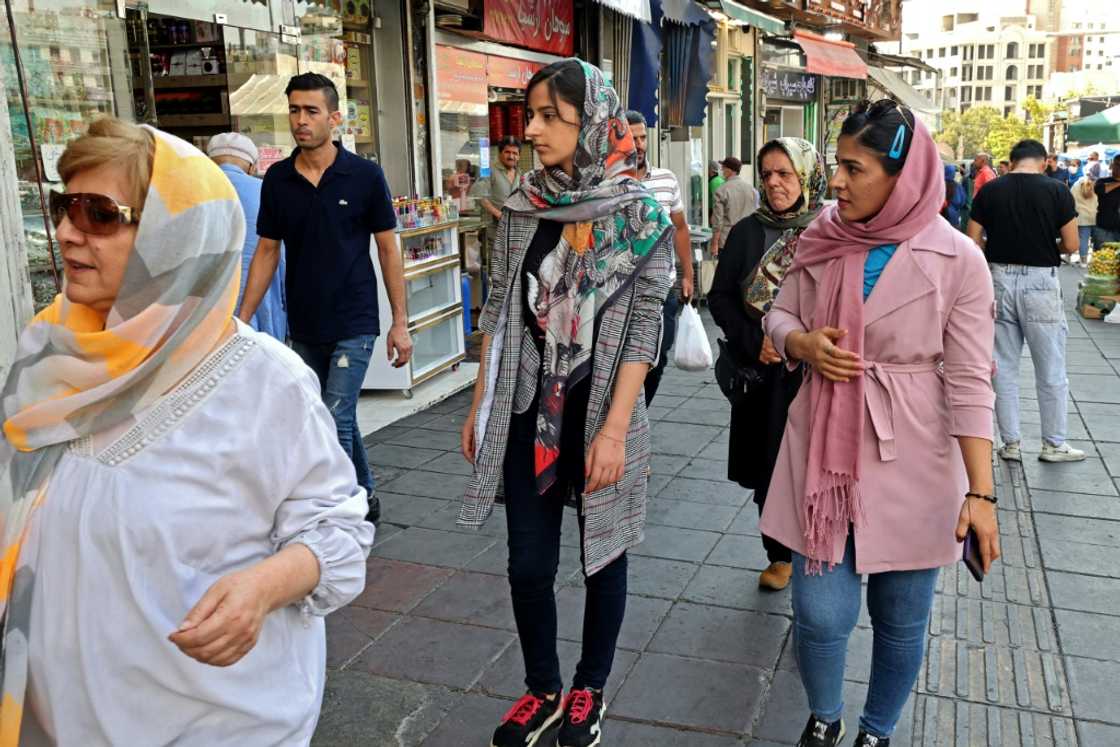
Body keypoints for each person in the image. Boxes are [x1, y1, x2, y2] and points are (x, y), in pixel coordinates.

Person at [0, 118, 374, 744]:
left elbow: (338, 530)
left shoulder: (261, 382)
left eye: (98, 213)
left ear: (175, 236)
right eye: (63, 205)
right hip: (53, 721)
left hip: (211, 723)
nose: (66, 231)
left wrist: (263, 587)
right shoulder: (49, 354)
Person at [760, 100, 1000, 747]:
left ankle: (877, 731)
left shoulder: (958, 260)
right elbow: (778, 314)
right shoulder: (822, 235)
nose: (834, 181)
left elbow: (973, 379)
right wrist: (803, 344)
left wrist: (981, 494)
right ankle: (825, 714)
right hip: (824, 446)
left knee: (900, 616)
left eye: (851, 167)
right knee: (818, 613)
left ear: (902, 175)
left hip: (915, 452)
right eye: (836, 165)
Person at [458, 59, 672, 747]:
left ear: (594, 122)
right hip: (530, 409)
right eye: (533, 113)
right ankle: (542, 686)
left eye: (553, 115)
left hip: (600, 409)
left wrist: (613, 429)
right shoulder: (523, 206)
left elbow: (645, 326)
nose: (535, 128)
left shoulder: (639, 215)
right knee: (527, 563)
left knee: (603, 553)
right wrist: (480, 402)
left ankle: (590, 686)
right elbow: (497, 307)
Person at [239, 72, 413, 525]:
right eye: (294, 110)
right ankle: (367, 493)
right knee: (328, 415)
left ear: (334, 118)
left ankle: (338, 513)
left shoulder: (364, 176)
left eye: (311, 111)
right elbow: (266, 251)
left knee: (333, 419)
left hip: (355, 319)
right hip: (305, 321)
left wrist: (399, 321)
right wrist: (240, 318)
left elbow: (388, 248)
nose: (301, 120)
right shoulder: (276, 179)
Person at [708, 137, 826, 592]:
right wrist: (754, 339)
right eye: (768, 174)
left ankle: (818, 546)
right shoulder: (747, 232)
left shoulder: (829, 230)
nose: (775, 183)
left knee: (817, 462)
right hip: (765, 375)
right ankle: (778, 553)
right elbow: (720, 298)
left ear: (806, 176)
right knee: (770, 465)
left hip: (817, 372)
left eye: (786, 174)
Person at [967, 139, 1083, 463]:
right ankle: (1054, 444)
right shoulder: (1057, 191)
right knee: (1051, 366)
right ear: (1044, 161)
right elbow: (1072, 243)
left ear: (1011, 160)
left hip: (999, 280)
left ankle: (1011, 443)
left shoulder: (990, 190)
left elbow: (972, 240)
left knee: (1002, 366)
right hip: (1041, 284)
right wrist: (1047, 245)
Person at [626, 110, 694, 406]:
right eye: (632, 138)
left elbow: (680, 227)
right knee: (623, 360)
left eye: (642, 137)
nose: (639, 144)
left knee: (658, 356)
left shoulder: (666, 180)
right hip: (619, 292)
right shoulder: (603, 182)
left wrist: (687, 274)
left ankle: (636, 411)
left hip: (661, 290)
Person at [207, 132, 287, 341]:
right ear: (251, 167)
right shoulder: (267, 193)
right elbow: (284, 258)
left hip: (206, 320)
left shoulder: (192, 193)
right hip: (260, 313)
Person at [480, 136, 524, 299]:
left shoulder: (520, 173)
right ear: (500, 153)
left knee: (513, 272)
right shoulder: (489, 171)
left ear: (519, 156)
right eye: (507, 152)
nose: (511, 156)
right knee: (497, 272)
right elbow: (480, 197)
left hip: (515, 231)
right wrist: (498, 213)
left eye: (515, 153)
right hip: (495, 230)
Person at [712, 156, 760, 255]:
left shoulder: (721, 191)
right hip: (747, 239)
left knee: (726, 270)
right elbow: (757, 214)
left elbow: (718, 221)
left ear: (730, 170)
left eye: (723, 167)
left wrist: (714, 244)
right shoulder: (752, 190)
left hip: (727, 240)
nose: (721, 170)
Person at [1092, 155, 1120, 246]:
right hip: (1104, 230)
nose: (1118, 168)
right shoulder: (1102, 181)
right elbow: (1100, 190)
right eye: (1117, 164)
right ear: (1112, 165)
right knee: (1103, 258)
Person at [1072, 171, 1098, 266]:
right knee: (1096, 239)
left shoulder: (1075, 185)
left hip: (1081, 217)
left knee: (1083, 239)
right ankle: (1096, 259)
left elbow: (1071, 200)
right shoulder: (1095, 185)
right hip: (1095, 216)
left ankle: (1083, 261)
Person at [942, 163, 966, 228]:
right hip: (954, 218)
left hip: (940, 218)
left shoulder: (938, 184)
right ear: (954, 174)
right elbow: (962, 202)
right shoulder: (958, 186)